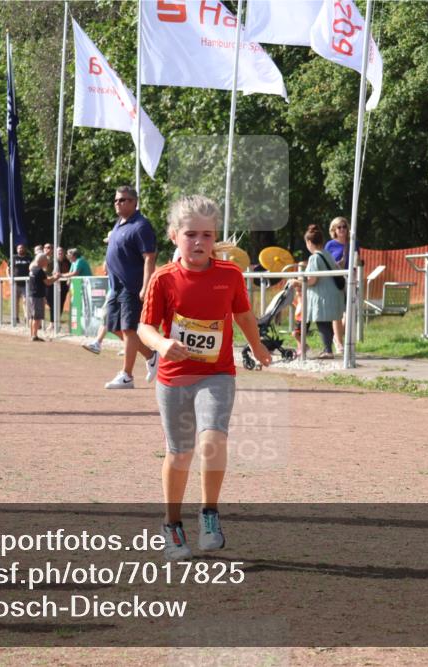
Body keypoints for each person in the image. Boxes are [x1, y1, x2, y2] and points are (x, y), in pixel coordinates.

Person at [138, 194, 271, 561]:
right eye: (191, 234)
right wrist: (162, 344)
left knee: (213, 441)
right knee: (180, 453)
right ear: (174, 236)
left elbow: (243, 315)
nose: (199, 242)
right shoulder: (164, 279)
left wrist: (257, 346)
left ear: (215, 238)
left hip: (216, 374)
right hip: (175, 378)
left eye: (207, 235)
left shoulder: (229, 275)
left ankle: (209, 513)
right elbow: (145, 327)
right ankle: (172, 525)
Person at [103, 185, 159, 389]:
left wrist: (146, 286)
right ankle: (152, 355)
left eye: (123, 200)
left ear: (134, 202)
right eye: (116, 200)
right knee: (113, 327)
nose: (118, 203)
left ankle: (127, 376)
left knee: (128, 329)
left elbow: (149, 257)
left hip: (131, 286)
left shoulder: (141, 225)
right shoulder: (119, 223)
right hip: (115, 286)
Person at [304, 224, 345, 360]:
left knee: (322, 322)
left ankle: (328, 350)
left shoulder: (314, 257)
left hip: (323, 295)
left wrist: (299, 282)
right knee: (325, 322)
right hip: (334, 293)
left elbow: (312, 280)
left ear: (309, 242)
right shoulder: (327, 254)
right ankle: (328, 349)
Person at [323, 216, 354, 352]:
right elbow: (326, 262)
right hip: (335, 280)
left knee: (349, 313)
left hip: (350, 280)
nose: (342, 229)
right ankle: (339, 343)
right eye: (338, 227)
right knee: (337, 312)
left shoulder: (353, 243)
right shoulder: (330, 245)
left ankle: (336, 336)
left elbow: (357, 260)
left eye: (344, 226)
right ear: (334, 230)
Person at [29, 253, 60, 341]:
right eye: (46, 261)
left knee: (33, 317)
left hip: (32, 295)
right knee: (37, 317)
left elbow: (43, 279)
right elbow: (48, 282)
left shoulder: (33, 269)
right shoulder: (40, 271)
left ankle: (32, 334)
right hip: (37, 296)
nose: (47, 262)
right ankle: (34, 336)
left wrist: (52, 277)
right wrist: (56, 277)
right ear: (42, 261)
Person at [11, 244, 32, 324]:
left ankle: (27, 317)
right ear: (17, 249)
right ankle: (16, 317)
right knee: (15, 301)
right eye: (19, 248)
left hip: (26, 283)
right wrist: (9, 278)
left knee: (26, 300)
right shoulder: (14, 258)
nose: (20, 249)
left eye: (22, 248)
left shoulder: (29, 258)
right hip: (15, 283)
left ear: (25, 249)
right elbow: (8, 269)